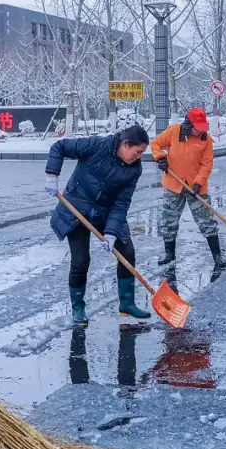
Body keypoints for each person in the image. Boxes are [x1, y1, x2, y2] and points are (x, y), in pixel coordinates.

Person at [44, 125, 151, 325]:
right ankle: (78, 308)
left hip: (106, 212)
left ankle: (127, 304)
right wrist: (52, 174)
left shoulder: (134, 170)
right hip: (76, 209)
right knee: (81, 260)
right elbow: (59, 147)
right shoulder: (96, 145)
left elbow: (121, 204)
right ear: (125, 144)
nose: (139, 157)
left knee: (126, 251)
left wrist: (111, 233)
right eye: (138, 152)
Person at [151, 108, 226, 270]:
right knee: (168, 221)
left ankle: (218, 256)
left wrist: (198, 182)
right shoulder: (173, 132)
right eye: (197, 127)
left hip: (196, 188)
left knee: (207, 222)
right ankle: (169, 254)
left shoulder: (206, 140)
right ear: (188, 124)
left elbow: (207, 164)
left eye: (202, 127)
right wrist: (160, 158)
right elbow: (155, 143)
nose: (200, 131)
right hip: (173, 184)